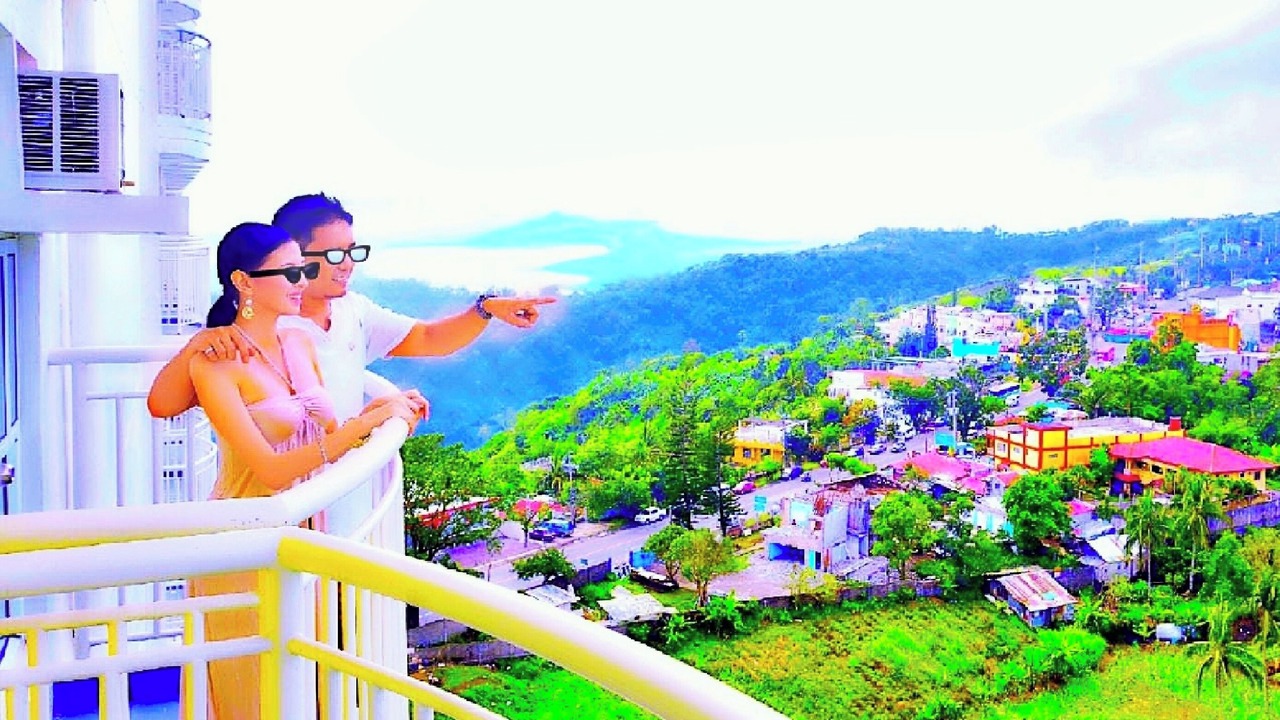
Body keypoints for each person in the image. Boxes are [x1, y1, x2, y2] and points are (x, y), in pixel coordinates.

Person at [184, 222, 425, 720]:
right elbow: (272, 472)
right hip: (245, 535)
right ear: (244, 282)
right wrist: (363, 425)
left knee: (301, 683)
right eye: (291, 270)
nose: (302, 280)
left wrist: (379, 412)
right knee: (250, 690)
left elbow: (327, 437)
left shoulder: (297, 344)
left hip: (302, 531)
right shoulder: (217, 361)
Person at [147, 192, 557, 423]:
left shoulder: (351, 312)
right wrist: (199, 345)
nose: (348, 264)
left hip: (336, 506)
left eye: (352, 251)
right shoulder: (256, 330)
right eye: (335, 253)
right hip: (276, 510)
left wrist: (486, 309)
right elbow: (164, 405)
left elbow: (429, 338)